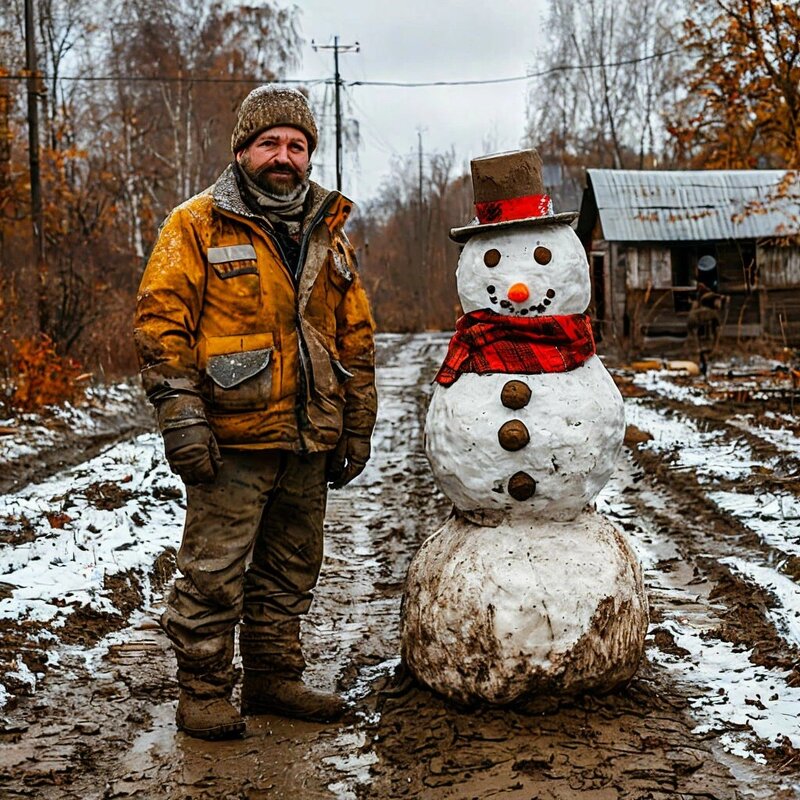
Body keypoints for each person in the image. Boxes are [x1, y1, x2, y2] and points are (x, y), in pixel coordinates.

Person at [133, 85, 377, 740]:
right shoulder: (195, 224)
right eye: (269, 142)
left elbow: (355, 335)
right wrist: (182, 417)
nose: (284, 156)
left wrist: (357, 422)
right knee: (213, 570)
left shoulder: (329, 230)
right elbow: (161, 325)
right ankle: (204, 690)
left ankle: (274, 679)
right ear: (242, 149)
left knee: (290, 566)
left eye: (297, 145)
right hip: (230, 436)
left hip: (308, 435)